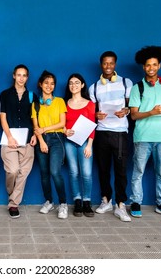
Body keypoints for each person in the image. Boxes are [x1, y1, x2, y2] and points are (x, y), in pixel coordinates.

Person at [128, 46, 161, 218]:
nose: (151, 68)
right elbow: (133, 115)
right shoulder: (137, 88)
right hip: (142, 137)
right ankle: (135, 202)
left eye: (154, 65)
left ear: (159, 66)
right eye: (148, 65)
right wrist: (151, 112)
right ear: (143, 67)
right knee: (138, 171)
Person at [88, 51, 133, 222]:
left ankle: (120, 205)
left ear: (115, 64)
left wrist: (126, 111)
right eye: (105, 63)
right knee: (103, 169)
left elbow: (130, 106)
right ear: (101, 65)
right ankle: (106, 200)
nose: (108, 66)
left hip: (120, 132)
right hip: (101, 132)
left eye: (111, 63)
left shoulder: (125, 82)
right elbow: (91, 111)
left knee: (121, 170)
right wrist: (95, 116)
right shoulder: (94, 87)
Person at [0, 64, 37, 218]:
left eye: (24, 75)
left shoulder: (32, 95)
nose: (21, 78)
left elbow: (35, 118)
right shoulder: (5, 94)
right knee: (13, 170)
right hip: (10, 138)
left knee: (24, 173)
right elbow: (3, 117)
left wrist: (35, 134)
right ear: (14, 76)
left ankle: (14, 204)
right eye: (19, 75)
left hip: (28, 139)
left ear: (27, 78)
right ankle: (12, 193)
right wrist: (9, 137)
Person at [32, 70, 68, 219]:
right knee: (44, 174)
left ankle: (63, 204)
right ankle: (49, 201)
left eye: (52, 83)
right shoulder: (35, 104)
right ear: (40, 84)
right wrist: (40, 141)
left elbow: (62, 123)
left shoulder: (59, 101)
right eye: (46, 83)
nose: (49, 86)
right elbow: (35, 126)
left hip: (57, 138)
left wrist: (45, 129)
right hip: (42, 140)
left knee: (55, 172)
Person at [64, 73, 95, 217]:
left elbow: (92, 126)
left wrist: (89, 145)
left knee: (87, 173)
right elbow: (61, 123)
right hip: (69, 142)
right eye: (71, 83)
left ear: (82, 85)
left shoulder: (89, 104)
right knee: (73, 172)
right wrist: (65, 131)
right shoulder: (64, 103)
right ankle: (77, 200)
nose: (73, 85)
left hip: (85, 143)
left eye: (77, 83)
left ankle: (87, 201)